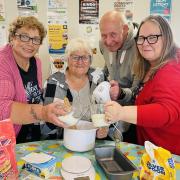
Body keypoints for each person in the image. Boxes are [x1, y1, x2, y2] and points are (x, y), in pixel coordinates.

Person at [104, 15, 180, 155]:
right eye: (141, 38)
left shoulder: (172, 67)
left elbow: (166, 111)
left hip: (167, 157)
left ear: (167, 38)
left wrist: (121, 112)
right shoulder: (150, 65)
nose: (145, 43)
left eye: (152, 37)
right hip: (150, 150)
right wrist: (120, 93)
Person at [0, 16, 67, 143]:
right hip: (6, 140)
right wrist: (43, 113)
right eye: (24, 37)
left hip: (31, 134)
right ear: (12, 37)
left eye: (36, 39)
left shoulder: (36, 62)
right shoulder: (2, 61)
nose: (30, 43)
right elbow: (2, 108)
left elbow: (34, 97)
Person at [43, 37, 108, 139]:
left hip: (93, 139)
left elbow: (107, 110)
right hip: (62, 140)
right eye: (75, 57)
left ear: (90, 60)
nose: (80, 62)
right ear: (67, 59)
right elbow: (46, 122)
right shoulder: (53, 82)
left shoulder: (98, 78)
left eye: (85, 57)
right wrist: (65, 124)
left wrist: (104, 127)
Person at [99, 10, 140, 142]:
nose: (108, 41)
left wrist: (121, 93)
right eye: (104, 35)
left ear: (125, 29)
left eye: (113, 35)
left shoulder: (140, 48)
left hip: (132, 116)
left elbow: (139, 91)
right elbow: (108, 67)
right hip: (110, 112)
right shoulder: (103, 44)